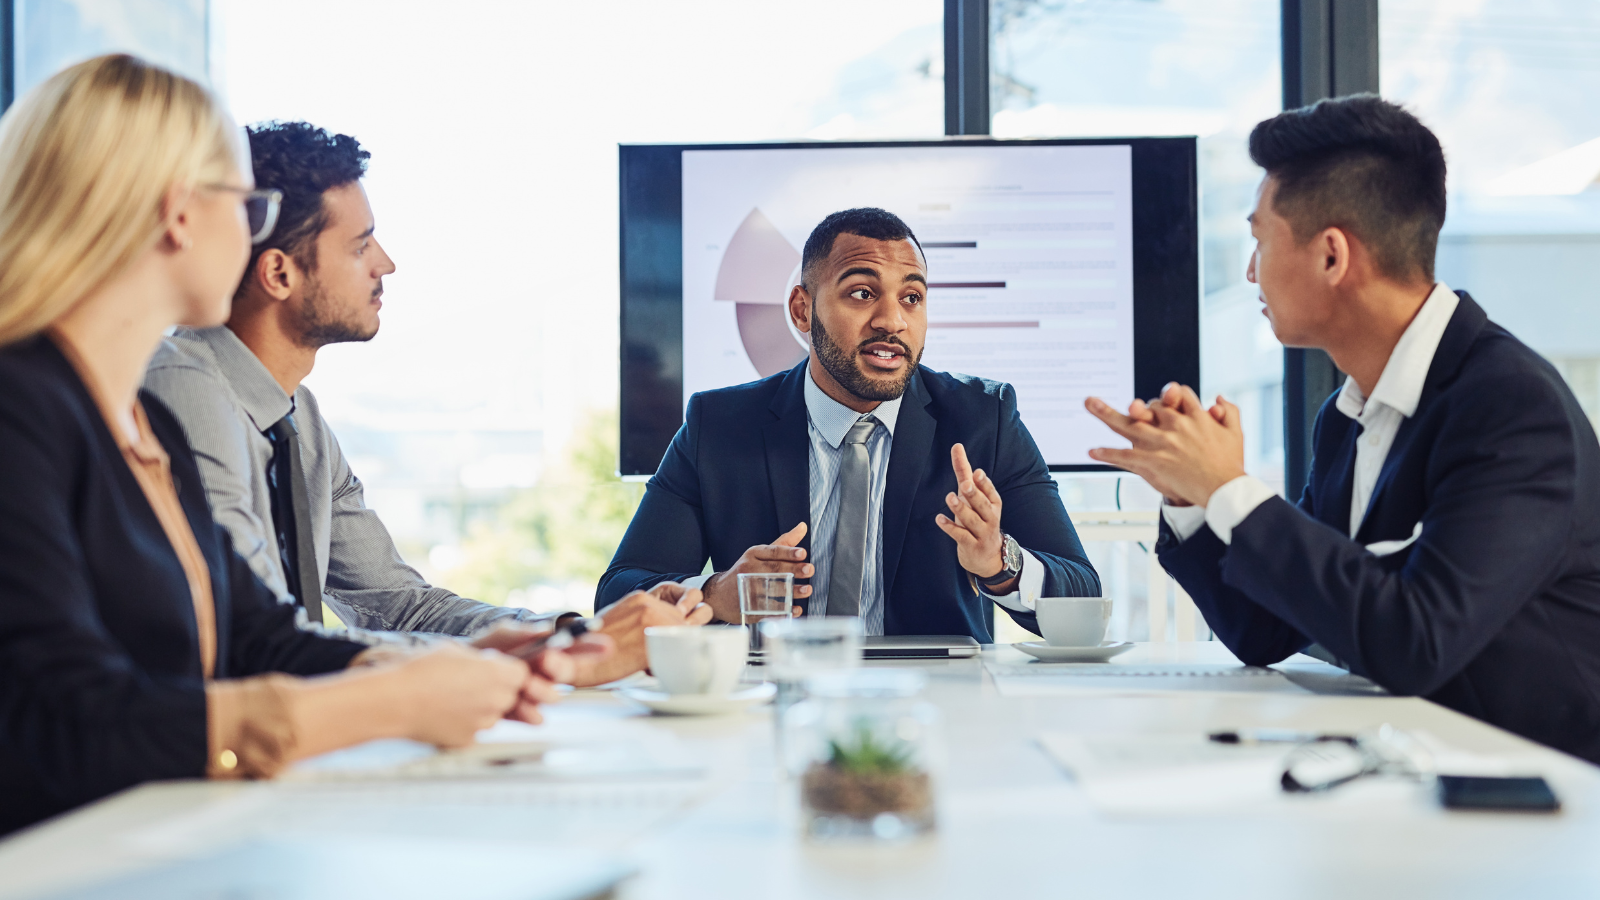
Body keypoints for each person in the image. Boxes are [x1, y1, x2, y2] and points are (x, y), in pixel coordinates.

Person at [0, 55, 599, 835]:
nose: (254, 231)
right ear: (179, 214)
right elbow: (64, 719)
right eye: (245, 204)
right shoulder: (19, 410)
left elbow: (255, 633)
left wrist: (459, 666)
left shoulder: (145, 429)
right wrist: (392, 701)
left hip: (156, 846)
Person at [1085, 95, 1600, 763]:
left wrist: (1231, 489)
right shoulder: (1347, 414)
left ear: (1332, 257)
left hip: (1550, 804)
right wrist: (1192, 497)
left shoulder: (1512, 409)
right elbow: (1269, 629)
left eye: (1259, 240)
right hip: (1416, 774)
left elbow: (1417, 642)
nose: (1250, 271)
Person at [144, 122, 708, 687]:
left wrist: (575, 636)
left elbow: (400, 605)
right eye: (360, 245)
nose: (385, 264)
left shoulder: (300, 421)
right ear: (279, 273)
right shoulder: (186, 393)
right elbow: (263, 642)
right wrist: (531, 658)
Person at [599, 208, 1099, 640]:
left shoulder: (985, 419)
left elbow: (1083, 597)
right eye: (862, 293)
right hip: (775, 699)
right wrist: (714, 596)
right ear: (802, 310)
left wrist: (999, 564)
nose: (892, 320)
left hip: (941, 705)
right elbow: (616, 594)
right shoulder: (719, 427)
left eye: (911, 298)